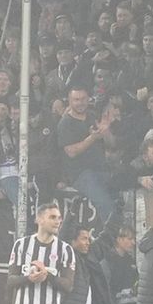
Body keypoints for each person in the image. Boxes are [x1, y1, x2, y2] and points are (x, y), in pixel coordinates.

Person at [58, 87, 118, 223]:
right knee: (107, 206)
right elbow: (71, 152)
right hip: (81, 174)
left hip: (102, 170)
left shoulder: (93, 116)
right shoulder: (65, 123)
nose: (80, 103)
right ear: (70, 101)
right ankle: (112, 240)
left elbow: (112, 144)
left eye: (83, 99)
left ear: (88, 99)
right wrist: (92, 138)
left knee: (118, 202)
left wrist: (106, 131)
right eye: (76, 100)